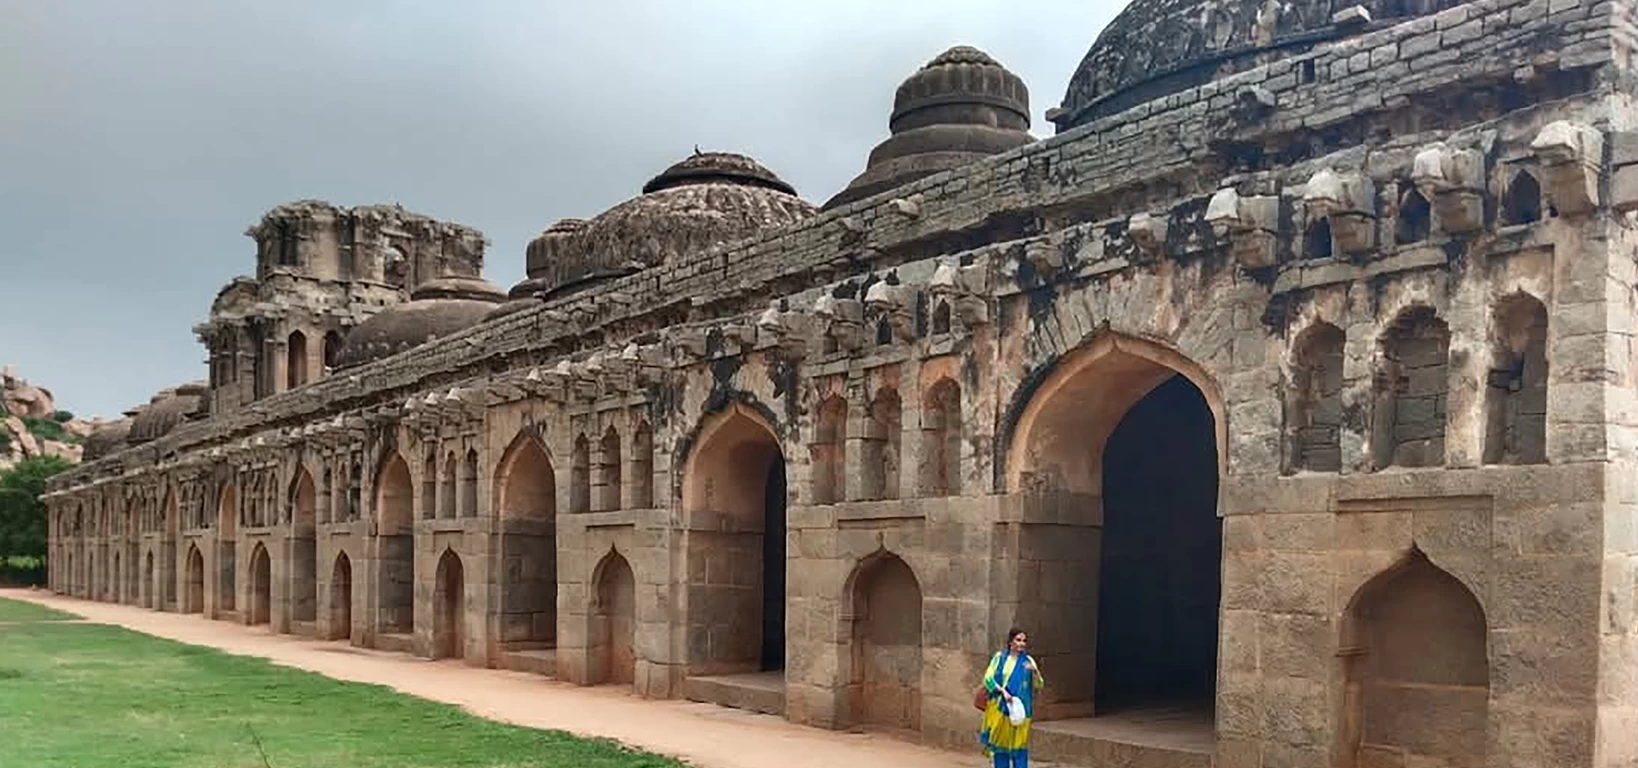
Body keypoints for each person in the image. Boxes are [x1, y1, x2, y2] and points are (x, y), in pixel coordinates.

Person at [979, 627, 1043, 768]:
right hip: (1000, 709)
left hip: (1020, 710)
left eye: (1024, 641)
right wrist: (1003, 691)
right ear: (1010, 641)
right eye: (1018, 640)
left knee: (1020, 746)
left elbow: (1039, 685)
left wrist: (1035, 672)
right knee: (1001, 746)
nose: (1021, 644)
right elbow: (988, 678)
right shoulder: (999, 658)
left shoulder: (1028, 661)